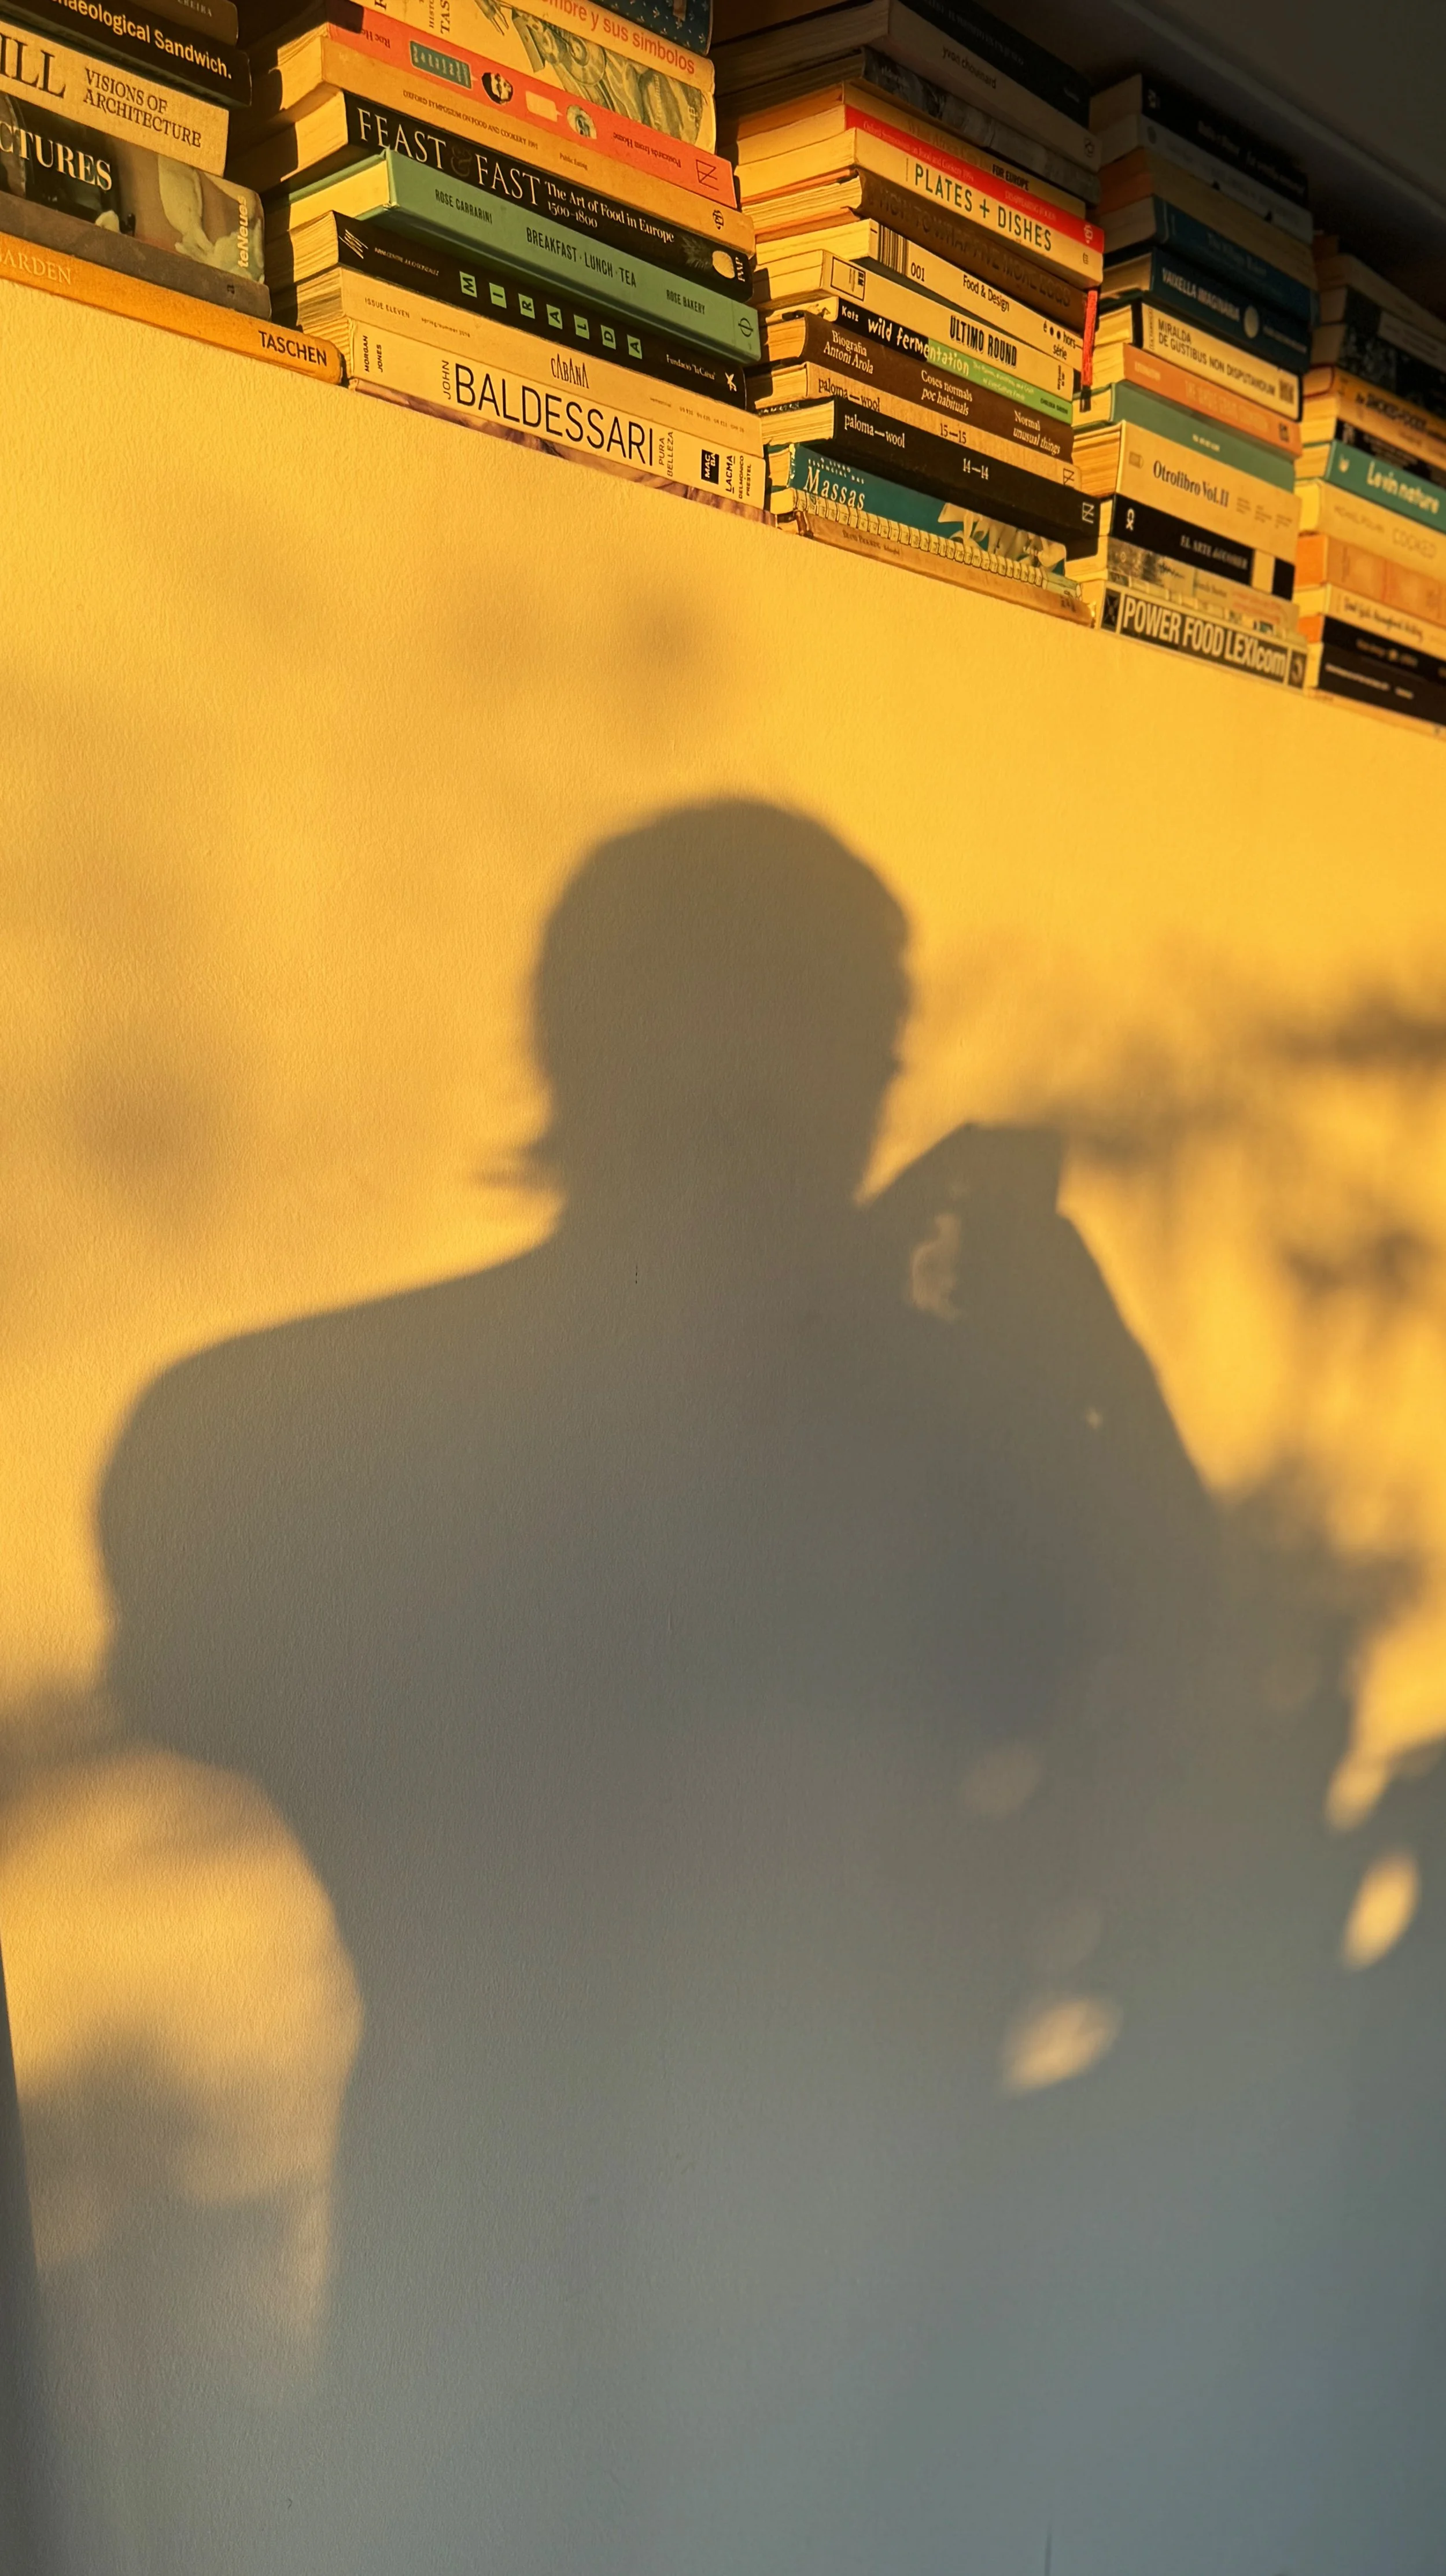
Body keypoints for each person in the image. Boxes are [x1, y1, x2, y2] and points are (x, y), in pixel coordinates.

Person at [91, 802, 1391, 2574]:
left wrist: (1046, 1392)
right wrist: (1043, 1401)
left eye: (823, 1068)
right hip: (561, 2384)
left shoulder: (281, 1436)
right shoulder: (290, 1446)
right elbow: (1182, 1722)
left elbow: (1193, 1734)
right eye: (747, 1086)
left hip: (784, 2379)